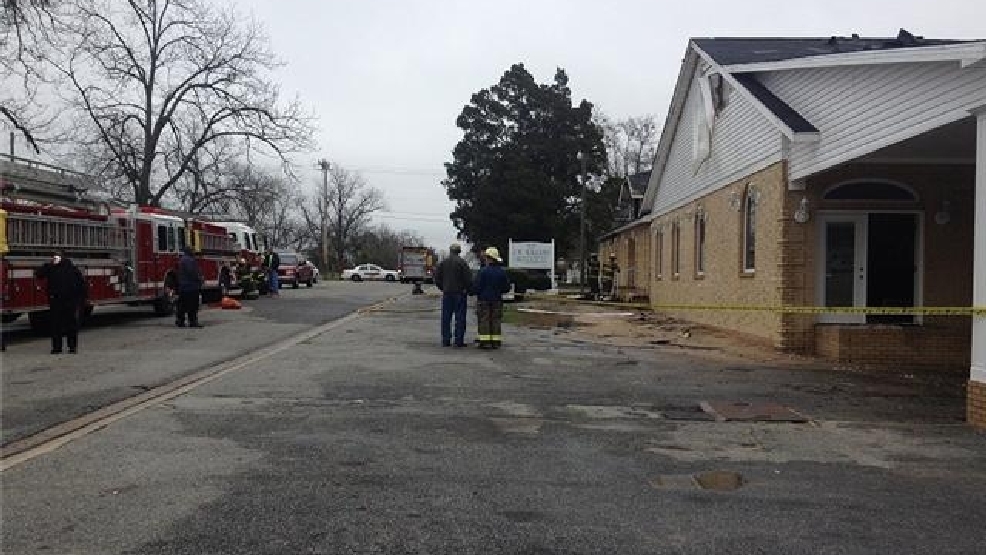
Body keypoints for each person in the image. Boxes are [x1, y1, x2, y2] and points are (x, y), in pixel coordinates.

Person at [35, 251, 87, 354]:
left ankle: (61, 347)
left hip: (61, 300)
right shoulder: (66, 268)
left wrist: (80, 299)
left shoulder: (66, 268)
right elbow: (39, 274)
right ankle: (68, 347)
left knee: (60, 325)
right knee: (65, 325)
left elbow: (39, 274)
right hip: (63, 300)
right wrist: (80, 300)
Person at [433, 242, 472, 347]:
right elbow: (468, 279)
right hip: (460, 294)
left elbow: (437, 278)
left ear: (450, 251)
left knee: (446, 318)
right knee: (460, 318)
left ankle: (446, 340)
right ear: (459, 251)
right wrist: (467, 289)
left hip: (447, 293)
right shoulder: (462, 263)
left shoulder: (443, 263)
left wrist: (443, 287)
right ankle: (458, 340)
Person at [472, 247, 511, 349]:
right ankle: (496, 341)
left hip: (483, 300)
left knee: (484, 319)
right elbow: (507, 287)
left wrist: (473, 292)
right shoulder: (501, 272)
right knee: (496, 320)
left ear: (489, 258)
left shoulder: (483, 271)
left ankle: (485, 341)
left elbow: (477, 286)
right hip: (497, 299)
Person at [175, 246, 204, 328]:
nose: (194, 252)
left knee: (182, 306)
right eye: (192, 250)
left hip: (183, 287)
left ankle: (180, 321)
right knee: (193, 306)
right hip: (191, 287)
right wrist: (200, 279)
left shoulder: (182, 260)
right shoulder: (190, 260)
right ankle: (193, 322)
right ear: (189, 251)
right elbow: (192, 272)